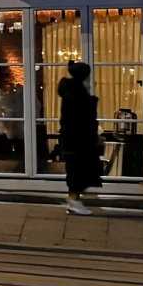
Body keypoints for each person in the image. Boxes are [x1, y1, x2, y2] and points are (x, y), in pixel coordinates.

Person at [57, 60, 101, 215]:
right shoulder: (76, 93)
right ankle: (74, 201)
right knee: (78, 170)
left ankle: (74, 200)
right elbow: (81, 117)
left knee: (77, 170)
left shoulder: (72, 90)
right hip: (77, 139)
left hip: (72, 138)